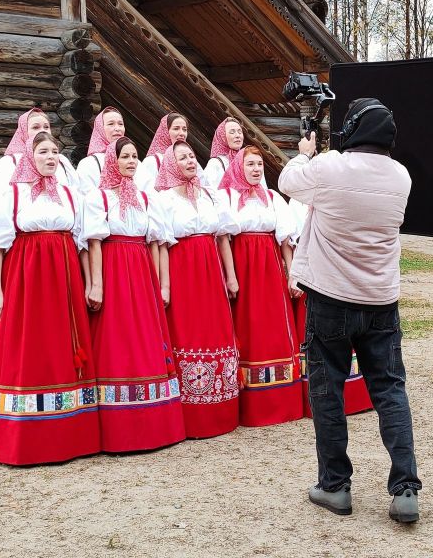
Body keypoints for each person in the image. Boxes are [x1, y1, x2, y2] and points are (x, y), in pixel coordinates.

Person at [278, 98, 421, 523]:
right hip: (380, 300)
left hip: (330, 298)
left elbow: (288, 180)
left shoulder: (329, 167)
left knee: (328, 392)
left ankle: (335, 486)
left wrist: (306, 152)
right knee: (391, 391)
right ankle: (406, 489)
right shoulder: (402, 177)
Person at [0, 132, 100, 465]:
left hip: (64, 280)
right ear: (30, 156)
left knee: (61, 344)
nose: (51, 157)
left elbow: (82, 243)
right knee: (28, 346)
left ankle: (69, 435)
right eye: (43, 151)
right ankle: (23, 436)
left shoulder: (70, 196)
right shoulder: (13, 195)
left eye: (55, 152)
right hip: (26, 281)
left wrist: (90, 283)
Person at [83, 138, 186, 452]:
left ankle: (153, 420)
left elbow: (155, 242)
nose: (130, 161)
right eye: (124, 156)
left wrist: (158, 284)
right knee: (117, 338)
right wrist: (96, 284)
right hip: (114, 269)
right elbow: (94, 243)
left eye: (134, 156)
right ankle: (117, 426)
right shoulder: (98, 197)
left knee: (145, 339)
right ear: (112, 161)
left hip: (140, 271)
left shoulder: (145, 197)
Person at [153, 141, 240, 438]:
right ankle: (191, 413)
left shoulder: (208, 195)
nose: (190, 161)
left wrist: (230, 276)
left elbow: (222, 237)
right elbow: (160, 244)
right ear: (170, 164)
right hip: (182, 269)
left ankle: (221, 410)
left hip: (210, 268)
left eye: (191, 156)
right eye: (182, 158)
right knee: (188, 331)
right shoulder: (163, 199)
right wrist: (163, 283)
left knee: (215, 330)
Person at [218, 147, 303, 427]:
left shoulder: (273, 198)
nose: (256, 169)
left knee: (275, 327)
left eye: (259, 165)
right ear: (238, 168)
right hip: (244, 265)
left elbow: (285, 242)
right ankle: (252, 404)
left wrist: (292, 276)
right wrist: (231, 276)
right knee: (248, 327)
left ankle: (283, 402)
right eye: (250, 164)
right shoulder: (227, 198)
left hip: (269, 268)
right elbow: (225, 241)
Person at [287, 198, 373, 419]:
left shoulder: (338, 197)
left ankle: (352, 396)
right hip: (313, 272)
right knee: (320, 338)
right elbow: (293, 241)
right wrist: (296, 274)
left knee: (344, 332)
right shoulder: (296, 204)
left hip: (338, 271)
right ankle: (319, 399)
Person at [0, 108, 77, 212]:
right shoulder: (11, 162)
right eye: (36, 127)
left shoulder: (61, 161)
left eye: (46, 127)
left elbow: (76, 195)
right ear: (24, 131)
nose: (42, 131)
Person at [137, 112, 203, 192]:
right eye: (176, 128)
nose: (182, 133)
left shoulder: (191, 161)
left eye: (184, 129)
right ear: (165, 132)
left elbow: (203, 187)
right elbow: (146, 192)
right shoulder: (152, 161)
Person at [76, 107, 126, 193]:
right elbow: (86, 198)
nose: (117, 128)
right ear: (100, 129)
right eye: (111, 124)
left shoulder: (134, 161)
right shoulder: (88, 164)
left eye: (120, 124)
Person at [203, 117, 244, 189]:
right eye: (232, 132)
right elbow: (208, 191)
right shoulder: (215, 163)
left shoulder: (247, 160)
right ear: (222, 136)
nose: (238, 135)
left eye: (240, 132)